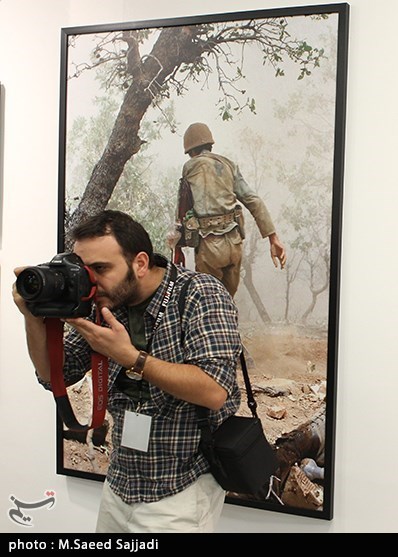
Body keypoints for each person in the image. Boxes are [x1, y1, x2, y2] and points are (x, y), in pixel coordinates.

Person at [12, 210, 242, 533]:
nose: (89, 280)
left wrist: (132, 358)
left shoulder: (198, 294)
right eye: (82, 269)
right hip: (120, 484)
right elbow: (53, 376)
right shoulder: (101, 303)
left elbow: (216, 391)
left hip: (180, 491)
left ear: (141, 263)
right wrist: (32, 317)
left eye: (100, 269)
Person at [177, 122, 287, 297]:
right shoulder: (229, 165)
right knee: (228, 300)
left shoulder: (190, 166)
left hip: (209, 244)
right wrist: (273, 238)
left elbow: (183, 209)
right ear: (209, 145)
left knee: (210, 304)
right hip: (234, 243)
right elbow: (253, 200)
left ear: (191, 150)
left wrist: (178, 246)